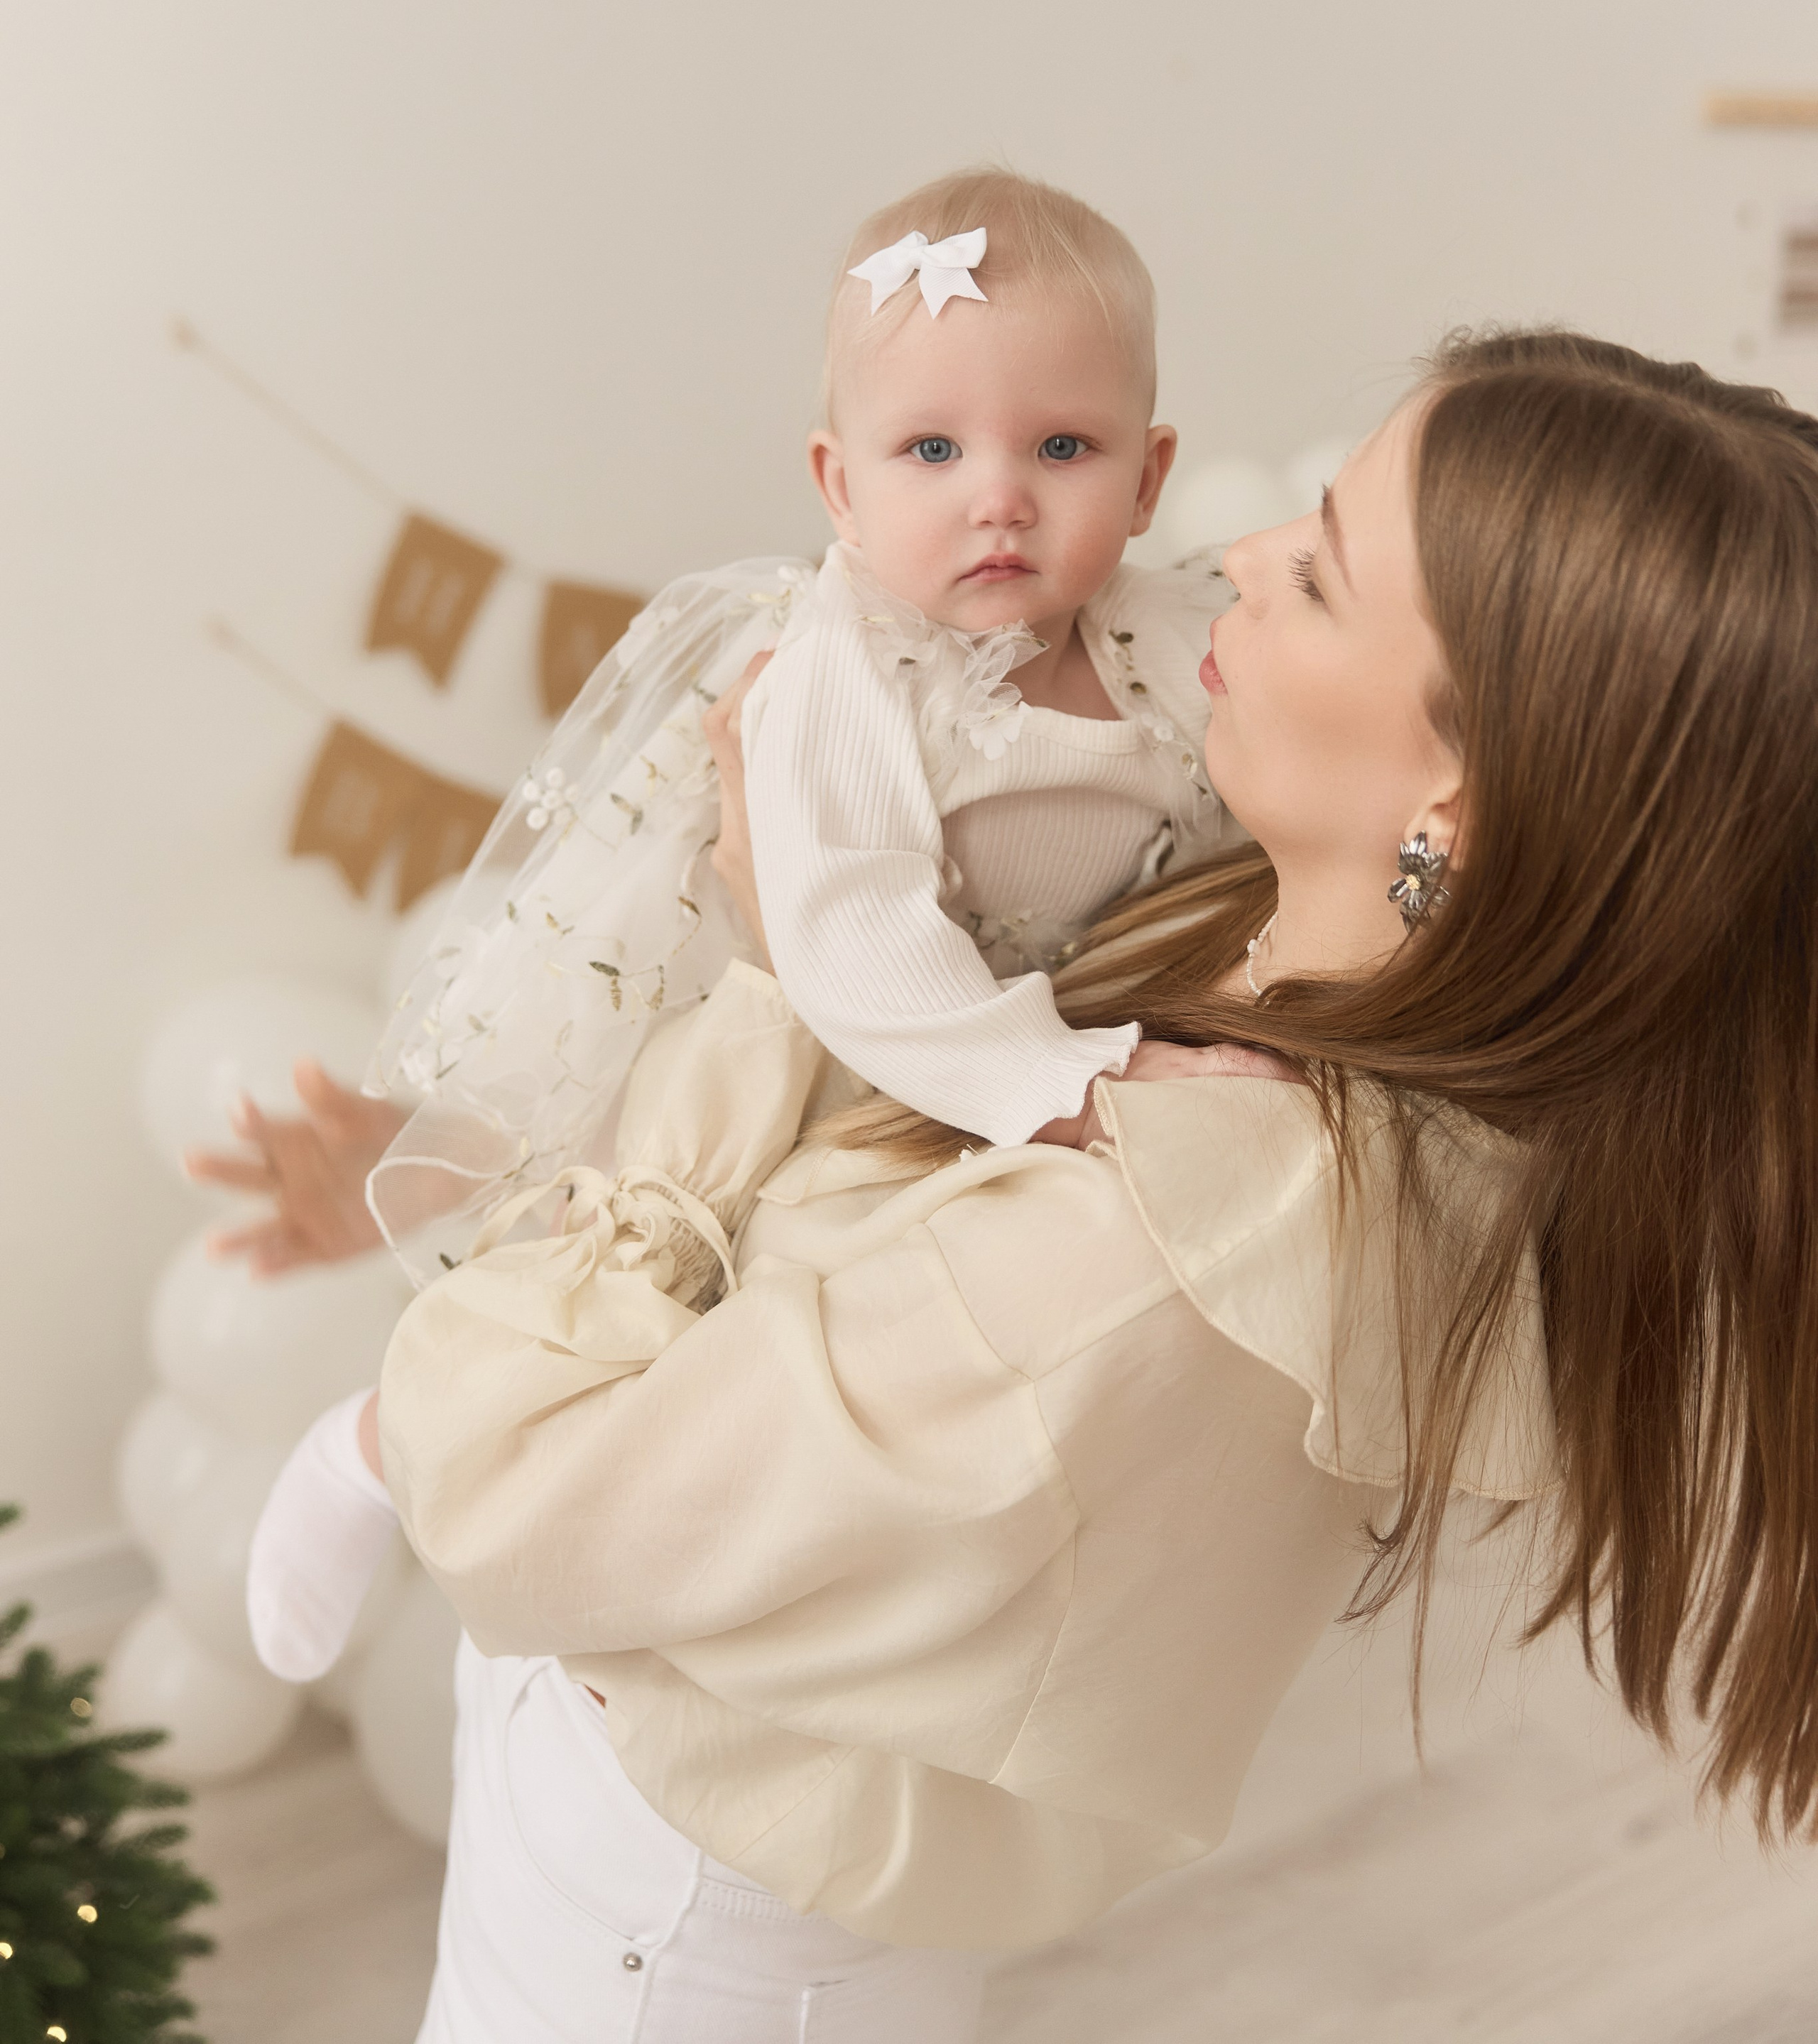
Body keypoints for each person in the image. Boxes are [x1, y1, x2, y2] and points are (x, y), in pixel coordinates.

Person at [352, 329, 1818, 2042]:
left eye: (1326, 576)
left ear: (1455, 800)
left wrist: (774, 990)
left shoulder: (1135, 1250)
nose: (1241, 559)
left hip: (663, 1938)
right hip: (745, 1868)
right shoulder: (1323, 1011)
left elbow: (509, 1500)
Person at [243, 167, 1239, 1687]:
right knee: (628, 1297)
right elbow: (845, 936)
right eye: (930, 448)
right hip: (802, 1049)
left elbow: (1246, 804)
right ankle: (380, 1444)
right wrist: (1069, 1087)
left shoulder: (1159, 635)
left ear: (1149, 474)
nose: (998, 495)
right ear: (838, 486)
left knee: (829, 1400)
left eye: (1061, 446)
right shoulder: (848, 668)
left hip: (982, 1081)